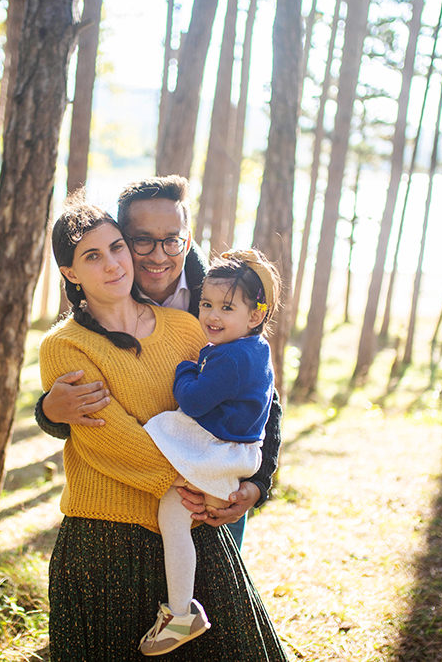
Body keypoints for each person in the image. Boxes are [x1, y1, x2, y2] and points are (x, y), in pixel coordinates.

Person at [40, 198, 287, 660]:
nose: (114, 263)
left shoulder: (188, 326)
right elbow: (108, 437)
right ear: (70, 272)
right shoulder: (64, 345)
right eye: (93, 256)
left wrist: (251, 483)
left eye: (116, 248)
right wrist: (202, 478)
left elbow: (255, 402)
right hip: (107, 538)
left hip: (192, 526)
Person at [35, 175, 282, 549]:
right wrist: (48, 412)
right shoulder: (108, 286)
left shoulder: (221, 292)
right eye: (142, 241)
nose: (158, 255)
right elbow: (93, 402)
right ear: (124, 238)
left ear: (186, 237)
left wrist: (258, 484)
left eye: (172, 240)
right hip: (149, 494)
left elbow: (263, 394)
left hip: (221, 484)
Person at [139, 249, 281, 656]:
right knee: (174, 514)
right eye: (206, 304)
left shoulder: (232, 357)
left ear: (254, 316)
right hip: (232, 453)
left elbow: (196, 401)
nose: (212, 316)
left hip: (219, 453)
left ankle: (181, 613)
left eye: (226, 308)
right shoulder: (253, 349)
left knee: (162, 451)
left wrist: (185, 369)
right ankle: (182, 610)